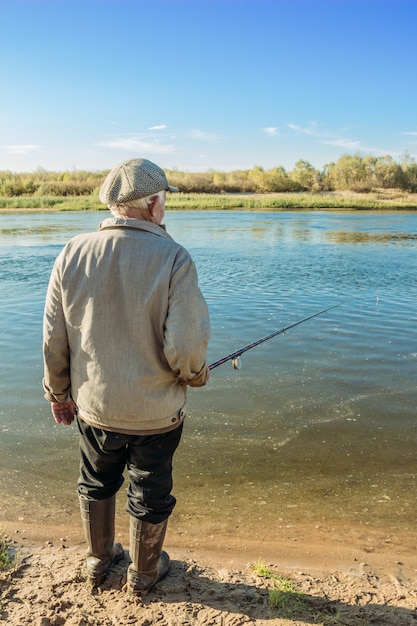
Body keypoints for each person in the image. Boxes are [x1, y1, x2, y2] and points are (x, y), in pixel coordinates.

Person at [42, 157, 211, 594]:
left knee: (96, 481)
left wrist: (58, 394)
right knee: (151, 490)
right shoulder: (174, 257)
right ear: (153, 203)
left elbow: (53, 338)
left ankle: (99, 562)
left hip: (94, 409)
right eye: (164, 200)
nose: (165, 208)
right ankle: (144, 574)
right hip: (156, 414)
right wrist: (194, 376)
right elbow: (187, 349)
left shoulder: (72, 252)